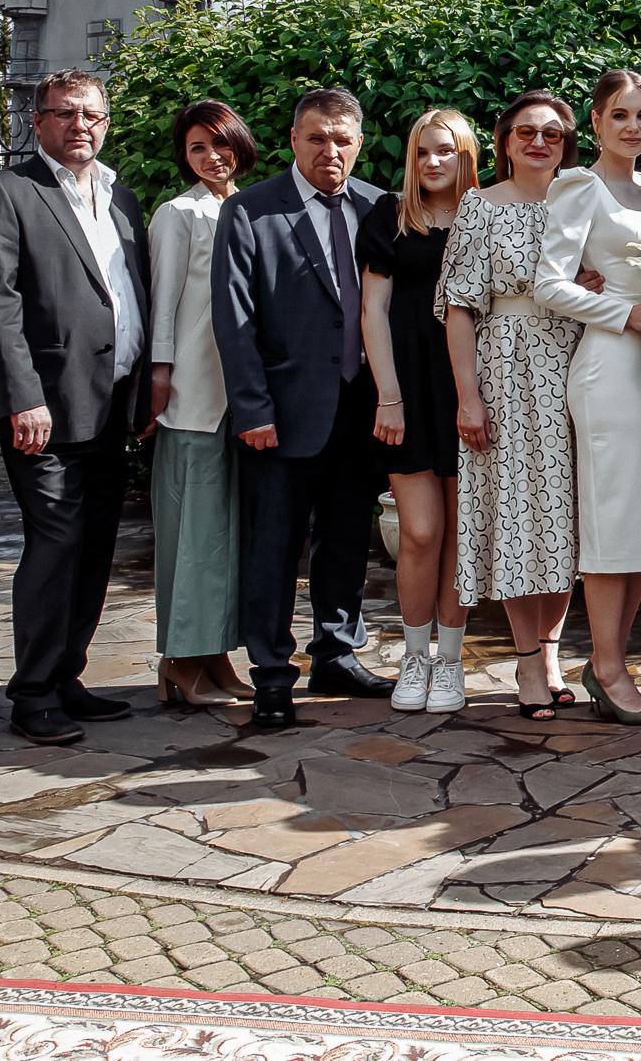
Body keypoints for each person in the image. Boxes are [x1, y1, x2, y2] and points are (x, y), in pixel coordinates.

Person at [0, 70, 152, 746]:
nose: (81, 125)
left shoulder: (120, 196)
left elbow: (128, 295)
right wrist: (22, 395)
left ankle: (68, 674)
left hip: (109, 407)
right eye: (65, 113)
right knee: (57, 542)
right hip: (44, 410)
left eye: (93, 114)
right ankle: (33, 691)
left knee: (96, 547)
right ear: (37, 121)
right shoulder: (6, 193)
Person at [212, 86, 397, 730]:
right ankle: (270, 672)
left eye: (342, 139)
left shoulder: (380, 207)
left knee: (346, 539)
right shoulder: (253, 212)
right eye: (317, 138)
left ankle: (337, 654)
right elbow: (234, 323)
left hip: (361, 410)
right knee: (275, 547)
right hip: (283, 415)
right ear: (294, 140)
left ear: (359, 143)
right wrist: (252, 409)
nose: (330, 151)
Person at [536, 70, 641, 725]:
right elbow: (548, 282)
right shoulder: (580, 186)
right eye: (619, 115)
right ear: (594, 123)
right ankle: (606, 666)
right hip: (608, 372)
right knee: (613, 518)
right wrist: (622, 312)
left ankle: (612, 659)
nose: (633, 126)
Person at [440, 90, 585, 719]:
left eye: (552, 134)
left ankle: (552, 653)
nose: (538, 143)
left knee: (568, 520)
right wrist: (468, 396)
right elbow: (458, 307)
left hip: (581, 368)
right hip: (507, 370)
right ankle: (529, 661)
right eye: (525, 132)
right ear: (503, 142)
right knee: (519, 519)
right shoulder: (480, 206)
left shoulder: (585, 200)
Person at [361, 107, 479, 716]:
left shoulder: (487, 216)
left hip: (469, 392)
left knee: (461, 532)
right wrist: (388, 395)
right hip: (404, 390)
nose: (434, 162)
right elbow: (372, 311)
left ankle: (451, 663)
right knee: (421, 531)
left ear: (466, 155)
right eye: (424, 152)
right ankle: (414, 656)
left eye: (446, 151)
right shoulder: (389, 215)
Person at [147, 99, 258, 707]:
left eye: (220, 144)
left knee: (225, 536)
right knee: (193, 533)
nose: (212, 157)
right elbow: (162, 301)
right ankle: (182, 664)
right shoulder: (178, 213)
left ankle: (214, 657)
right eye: (196, 148)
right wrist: (160, 375)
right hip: (192, 396)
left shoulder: (250, 207)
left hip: (244, 398)